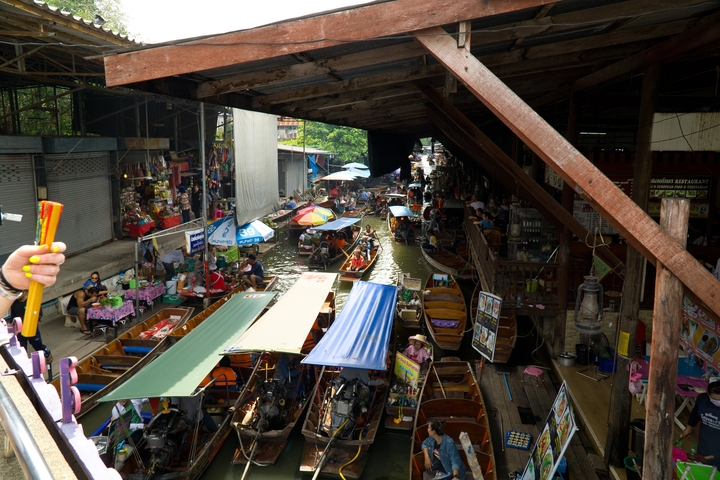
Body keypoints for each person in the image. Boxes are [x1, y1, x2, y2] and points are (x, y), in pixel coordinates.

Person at [681, 380, 720, 467]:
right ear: (709, 395)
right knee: (702, 467)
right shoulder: (703, 399)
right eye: (716, 400)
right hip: (705, 441)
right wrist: (689, 428)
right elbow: (695, 413)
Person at [10, 292, 51, 361]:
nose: (18, 294)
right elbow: (13, 318)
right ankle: (25, 363)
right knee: (22, 349)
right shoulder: (14, 303)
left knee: (38, 345)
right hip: (20, 331)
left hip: (32, 328)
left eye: (20, 292)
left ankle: (46, 353)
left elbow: (39, 314)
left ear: (25, 291)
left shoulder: (32, 301)